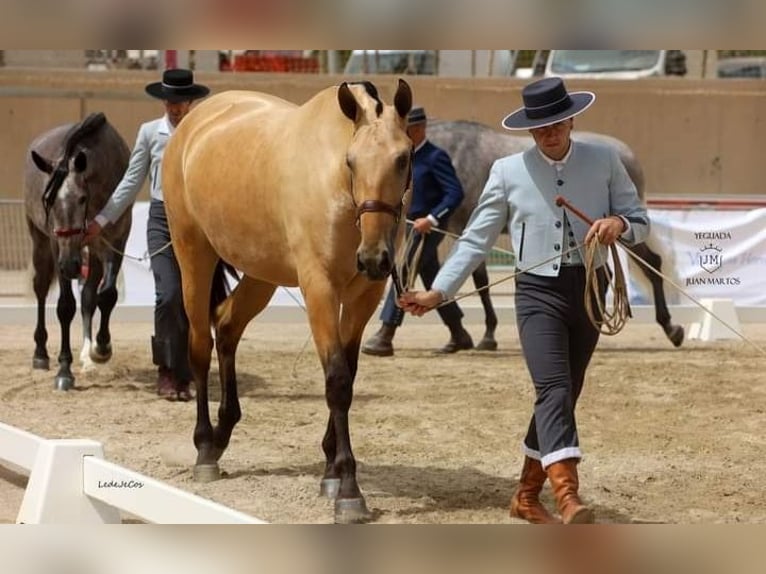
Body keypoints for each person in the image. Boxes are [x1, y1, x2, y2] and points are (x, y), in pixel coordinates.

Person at [399, 77, 650, 524]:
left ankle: (526, 496)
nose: (549, 132)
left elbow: (640, 221)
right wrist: (440, 292)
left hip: (590, 291)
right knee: (553, 388)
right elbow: (475, 239)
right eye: (540, 127)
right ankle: (568, 496)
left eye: (556, 123)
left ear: (571, 119)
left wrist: (619, 225)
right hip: (536, 294)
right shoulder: (508, 172)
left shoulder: (605, 161)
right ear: (530, 130)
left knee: (564, 394)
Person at [84, 68, 210, 402]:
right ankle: (166, 371)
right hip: (161, 218)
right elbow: (131, 180)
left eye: (180, 101)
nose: (174, 106)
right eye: (169, 100)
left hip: (197, 224)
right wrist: (101, 219)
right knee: (168, 294)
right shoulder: (150, 133)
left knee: (192, 300)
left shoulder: (205, 132)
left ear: (191, 101)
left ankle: (187, 371)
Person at [362, 106, 473, 357]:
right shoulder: (404, 158)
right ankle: (459, 332)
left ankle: (385, 334)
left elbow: (455, 193)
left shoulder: (435, 157)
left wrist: (432, 218)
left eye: (407, 129)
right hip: (408, 228)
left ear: (420, 129)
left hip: (427, 229)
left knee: (402, 271)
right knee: (431, 275)